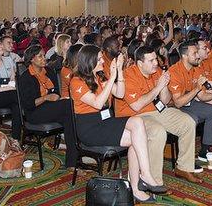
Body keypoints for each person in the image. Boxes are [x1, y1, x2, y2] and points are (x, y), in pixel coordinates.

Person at [71, 45, 166, 202]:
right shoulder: (77, 81)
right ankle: (144, 177)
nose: (103, 61)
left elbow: (120, 93)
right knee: (137, 129)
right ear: (89, 61)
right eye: (100, 58)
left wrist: (120, 72)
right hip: (90, 128)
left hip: (105, 122)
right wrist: (111, 77)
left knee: (137, 129)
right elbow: (97, 103)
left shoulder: (100, 77)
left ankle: (138, 185)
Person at [116, 45, 202, 185]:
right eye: (151, 60)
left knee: (188, 121)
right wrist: (158, 87)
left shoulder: (155, 72)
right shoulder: (128, 75)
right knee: (158, 132)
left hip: (156, 110)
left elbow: (165, 100)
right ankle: (153, 180)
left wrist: (164, 85)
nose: (156, 63)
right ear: (140, 63)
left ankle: (184, 168)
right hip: (134, 117)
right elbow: (136, 105)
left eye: (156, 58)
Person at [17, 45, 78, 170]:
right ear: (32, 59)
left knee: (70, 118)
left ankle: (73, 161)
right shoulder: (26, 77)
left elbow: (56, 93)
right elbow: (28, 105)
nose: (44, 58)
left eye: (44, 55)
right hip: (34, 113)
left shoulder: (49, 72)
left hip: (52, 108)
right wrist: (45, 98)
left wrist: (55, 97)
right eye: (40, 56)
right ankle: (77, 156)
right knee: (69, 106)